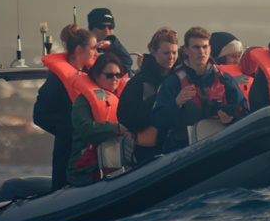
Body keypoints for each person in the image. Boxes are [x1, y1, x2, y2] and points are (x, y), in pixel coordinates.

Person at [152, 27, 248, 152]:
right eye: (196, 47)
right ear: (186, 50)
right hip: (182, 149)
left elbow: (244, 112)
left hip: (219, 146)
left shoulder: (224, 79)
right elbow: (158, 121)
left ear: (210, 49)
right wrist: (177, 103)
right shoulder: (173, 82)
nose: (201, 52)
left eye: (205, 47)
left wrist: (230, 117)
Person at [33, 24, 97, 191]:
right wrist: (74, 131)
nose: (96, 53)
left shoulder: (92, 75)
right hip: (67, 154)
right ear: (79, 50)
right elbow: (40, 115)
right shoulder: (57, 80)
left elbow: (123, 64)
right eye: (93, 48)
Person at [117, 27, 179, 163]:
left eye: (174, 52)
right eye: (166, 53)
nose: (171, 57)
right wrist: (157, 99)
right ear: (153, 51)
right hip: (150, 154)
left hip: (180, 147)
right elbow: (126, 117)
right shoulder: (139, 82)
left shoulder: (182, 77)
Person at [67, 53, 127, 187]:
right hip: (87, 170)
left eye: (118, 75)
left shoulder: (120, 99)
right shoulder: (83, 101)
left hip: (115, 165)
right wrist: (116, 128)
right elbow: (85, 129)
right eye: (109, 75)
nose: (115, 79)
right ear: (97, 76)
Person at [87, 7, 133, 73]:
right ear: (91, 29)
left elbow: (127, 62)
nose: (106, 31)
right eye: (101, 27)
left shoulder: (115, 48)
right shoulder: (85, 50)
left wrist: (112, 44)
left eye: (110, 27)